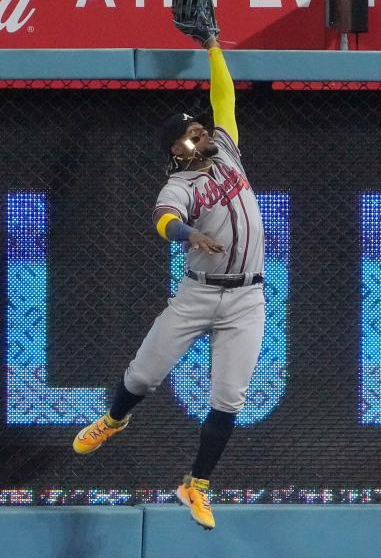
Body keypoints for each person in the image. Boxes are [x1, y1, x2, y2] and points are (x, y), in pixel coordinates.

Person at [71, 33, 266, 532]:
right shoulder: (180, 184)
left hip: (247, 297)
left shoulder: (226, 150)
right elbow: (163, 219)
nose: (202, 136)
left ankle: (195, 485)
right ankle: (114, 420)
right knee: (142, 375)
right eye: (192, 135)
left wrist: (214, 46)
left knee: (229, 399)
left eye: (201, 130)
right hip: (198, 294)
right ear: (176, 150)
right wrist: (187, 232)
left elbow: (225, 96)